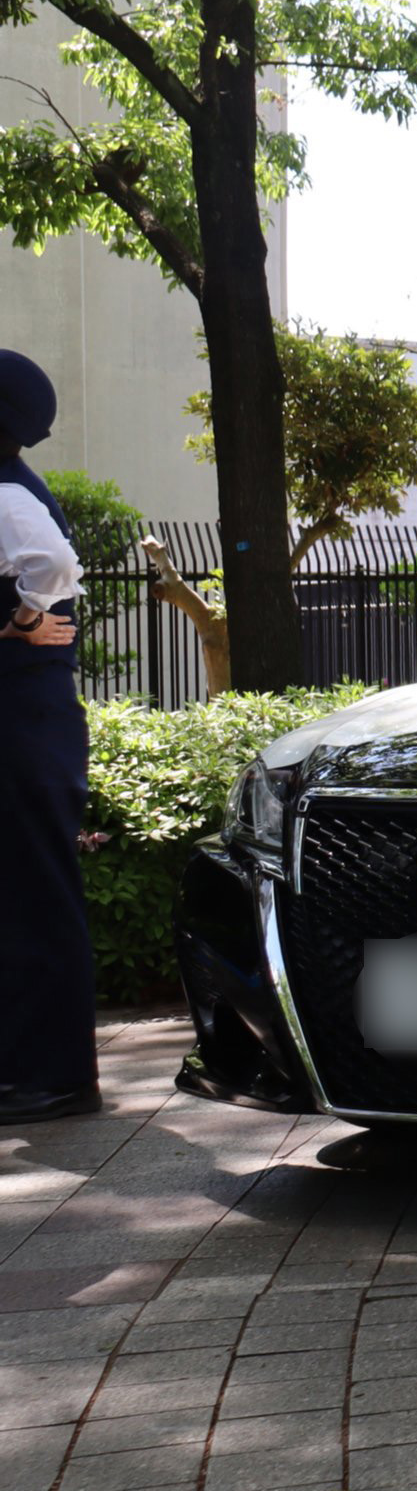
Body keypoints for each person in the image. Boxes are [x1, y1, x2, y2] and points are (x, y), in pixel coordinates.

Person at [0, 348, 97, 1124]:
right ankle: (27, 1068)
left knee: (37, 896)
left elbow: (53, 568)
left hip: (26, 721)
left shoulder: (7, 494)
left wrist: (26, 619)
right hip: (24, 717)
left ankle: (60, 1076)